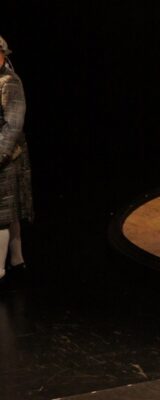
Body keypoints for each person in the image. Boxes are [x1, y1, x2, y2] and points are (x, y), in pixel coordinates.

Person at [0, 35, 33, 280]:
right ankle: (17, 260)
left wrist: (1, 153)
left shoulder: (10, 83)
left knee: (2, 215)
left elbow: (13, 125)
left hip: (7, 157)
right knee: (8, 211)